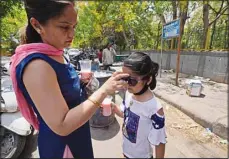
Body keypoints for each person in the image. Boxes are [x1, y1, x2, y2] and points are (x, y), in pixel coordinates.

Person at [10, 0, 129, 158]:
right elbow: (62, 125)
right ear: (37, 25)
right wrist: (104, 90)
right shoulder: (37, 66)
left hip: (78, 134)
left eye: (74, 26)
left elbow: (61, 91)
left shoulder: (56, 53)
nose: (72, 34)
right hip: (64, 145)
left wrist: (79, 83)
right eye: (64, 26)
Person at [113, 52, 166, 158]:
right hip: (126, 153)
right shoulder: (129, 94)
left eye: (131, 81)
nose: (126, 84)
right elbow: (126, 116)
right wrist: (114, 108)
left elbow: (159, 142)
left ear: (148, 80)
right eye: (124, 78)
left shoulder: (154, 108)